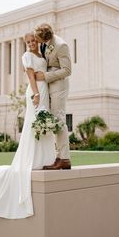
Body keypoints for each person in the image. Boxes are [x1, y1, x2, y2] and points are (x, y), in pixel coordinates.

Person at [0, 33, 56, 219]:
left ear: (38, 41)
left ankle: (46, 158)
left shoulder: (42, 54)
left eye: (33, 41)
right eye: (28, 42)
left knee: (44, 123)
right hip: (36, 91)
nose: (31, 44)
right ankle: (33, 159)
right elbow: (30, 76)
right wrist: (36, 93)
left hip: (45, 91)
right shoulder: (26, 56)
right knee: (34, 123)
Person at [34, 23, 72, 170]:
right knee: (53, 121)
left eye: (39, 39)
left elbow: (67, 70)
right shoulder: (45, 44)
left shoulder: (61, 45)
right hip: (48, 88)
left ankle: (65, 159)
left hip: (59, 88)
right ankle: (58, 156)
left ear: (45, 37)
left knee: (59, 120)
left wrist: (45, 76)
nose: (38, 42)